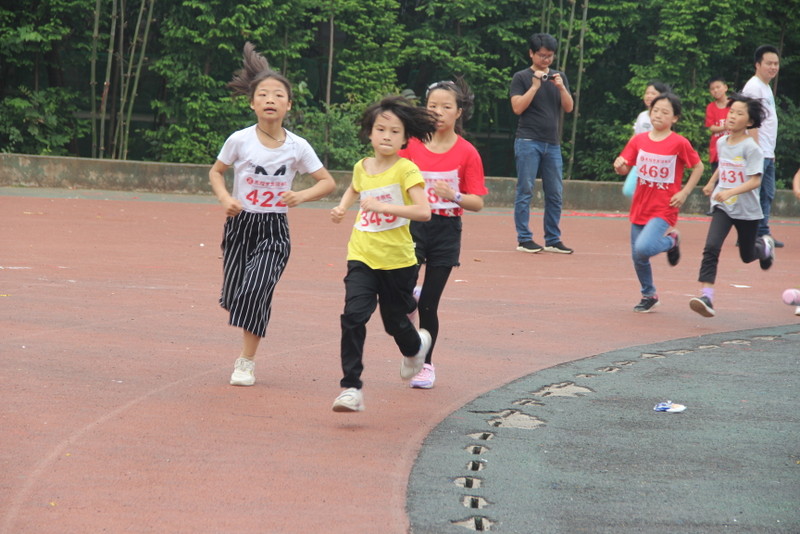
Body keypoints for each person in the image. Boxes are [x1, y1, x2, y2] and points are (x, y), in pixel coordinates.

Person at [209, 42, 336, 386]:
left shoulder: (297, 146)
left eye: (278, 95)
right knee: (235, 296)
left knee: (257, 289)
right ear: (252, 103)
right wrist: (225, 198)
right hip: (240, 225)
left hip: (274, 229)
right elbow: (216, 172)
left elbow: (327, 182)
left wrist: (301, 195)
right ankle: (243, 317)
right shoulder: (239, 140)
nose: (270, 99)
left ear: (288, 104)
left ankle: (245, 362)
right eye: (263, 94)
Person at [329, 95, 438, 412]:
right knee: (353, 316)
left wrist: (383, 206)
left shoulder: (406, 170)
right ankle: (351, 388)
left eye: (394, 131)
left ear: (404, 139)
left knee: (394, 322)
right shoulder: (362, 166)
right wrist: (342, 207)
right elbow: (355, 186)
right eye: (380, 129)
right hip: (362, 254)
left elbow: (423, 211)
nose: (386, 136)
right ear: (370, 133)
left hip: (398, 261)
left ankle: (416, 345)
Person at [397, 78, 488, 389]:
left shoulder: (467, 153)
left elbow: (478, 202)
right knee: (400, 293)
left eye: (446, 107)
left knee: (429, 305)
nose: (438, 112)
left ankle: (426, 364)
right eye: (432, 106)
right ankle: (409, 299)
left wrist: (454, 195)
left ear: (458, 112)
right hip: (413, 226)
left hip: (446, 230)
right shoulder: (411, 145)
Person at [613, 92, 704, 312]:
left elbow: (698, 166)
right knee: (638, 256)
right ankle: (649, 294)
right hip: (640, 205)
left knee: (643, 248)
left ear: (675, 118)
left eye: (665, 112)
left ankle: (672, 241)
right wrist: (620, 166)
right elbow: (625, 167)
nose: (658, 115)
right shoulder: (639, 140)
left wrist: (684, 192)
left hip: (664, 207)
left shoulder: (679, 143)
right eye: (655, 111)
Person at [689, 94, 774, 318]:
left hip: (747, 211)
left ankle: (764, 247)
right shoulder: (721, 142)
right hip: (723, 206)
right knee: (711, 246)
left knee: (747, 255)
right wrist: (712, 182)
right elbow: (724, 165)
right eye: (731, 112)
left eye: (739, 113)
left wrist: (730, 192)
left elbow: (755, 181)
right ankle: (706, 296)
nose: (732, 116)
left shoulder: (752, 148)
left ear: (749, 121)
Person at [510, 32, 574, 254]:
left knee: (555, 193)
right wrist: (535, 86)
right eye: (542, 55)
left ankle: (553, 239)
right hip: (528, 141)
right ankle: (524, 238)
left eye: (550, 56)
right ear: (531, 53)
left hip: (552, 143)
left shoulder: (559, 76)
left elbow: (569, 107)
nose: (546, 60)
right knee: (525, 190)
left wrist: (561, 87)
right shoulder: (521, 77)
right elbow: (517, 107)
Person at [741, 45, 782, 247]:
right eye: (769, 63)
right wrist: (756, 150)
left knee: (767, 193)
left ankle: (762, 233)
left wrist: (769, 151)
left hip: (767, 151)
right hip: (759, 151)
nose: (773, 67)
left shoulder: (765, 87)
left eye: (776, 63)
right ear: (758, 64)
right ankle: (748, 235)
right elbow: (751, 121)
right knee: (755, 195)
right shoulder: (754, 87)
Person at [623, 81, 669, 197]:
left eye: (653, 93)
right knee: (628, 190)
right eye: (647, 93)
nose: (649, 96)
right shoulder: (642, 116)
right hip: (640, 161)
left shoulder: (664, 117)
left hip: (656, 162)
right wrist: (625, 155)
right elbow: (635, 137)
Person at [704, 77, 730, 174]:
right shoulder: (710, 107)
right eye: (712, 89)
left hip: (733, 148)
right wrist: (725, 127)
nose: (715, 90)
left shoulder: (734, 104)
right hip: (716, 150)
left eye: (718, 87)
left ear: (725, 87)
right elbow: (711, 127)